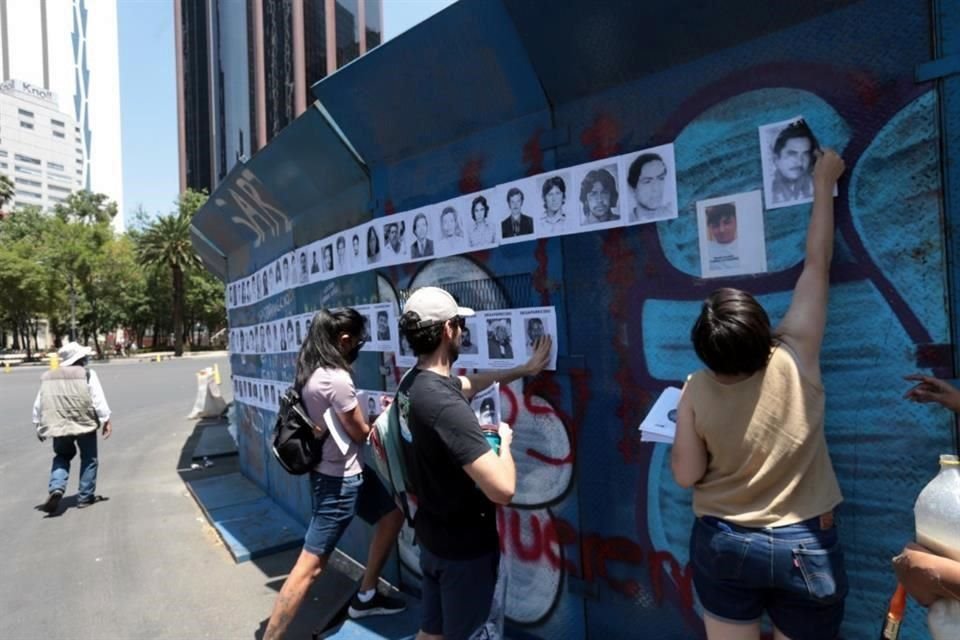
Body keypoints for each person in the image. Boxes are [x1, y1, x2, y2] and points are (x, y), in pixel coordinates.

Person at [670, 149, 846, 640]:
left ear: (706, 351)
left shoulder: (696, 389)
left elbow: (685, 475)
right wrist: (823, 183)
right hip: (806, 538)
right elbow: (818, 263)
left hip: (725, 540)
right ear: (760, 327)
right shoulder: (797, 353)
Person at [396, 286, 552, 640]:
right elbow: (503, 490)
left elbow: (468, 384)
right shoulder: (444, 406)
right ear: (448, 329)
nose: (463, 333)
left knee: (431, 633)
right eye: (460, 325)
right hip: (464, 553)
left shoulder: (413, 385)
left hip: (433, 540)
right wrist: (503, 443)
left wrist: (523, 369)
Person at [264, 308, 406, 639]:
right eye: (358, 340)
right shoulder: (336, 379)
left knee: (391, 516)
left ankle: (366, 596)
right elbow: (359, 433)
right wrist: (382, 418)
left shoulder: (311, 370)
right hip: (340, 483)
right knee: (310, 568)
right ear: (344, 340)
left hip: (346, 473)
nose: (359, 346)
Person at [33, 341, 113, 513]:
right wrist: (106, 419)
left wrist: (38, 424)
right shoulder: (87, 374)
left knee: (62, 455)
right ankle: (85, 497)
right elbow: (97, 398)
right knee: (89, 459)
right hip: (84, 423)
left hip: (59, 424)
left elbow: (40, 402)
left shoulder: (49, 376)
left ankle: (57, 487)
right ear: (80, 358)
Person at [770, 120, 816, 205]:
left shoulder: (816, 186)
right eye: (792, 154)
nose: (799, 161)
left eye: (805, 154)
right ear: (776, 159)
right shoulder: (769, 192)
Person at [627, 153, 673, 222]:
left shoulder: (671, 213)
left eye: (661, 178)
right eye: (647, 181)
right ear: (632, 189)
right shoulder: (629, 221)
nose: (656, 188)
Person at [704, 202, 740, 271]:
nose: (722, 230)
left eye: (727, 223)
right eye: (716, 225)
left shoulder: (747, 245)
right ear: (710, 228)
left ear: (736, 222)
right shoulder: (705, 248)